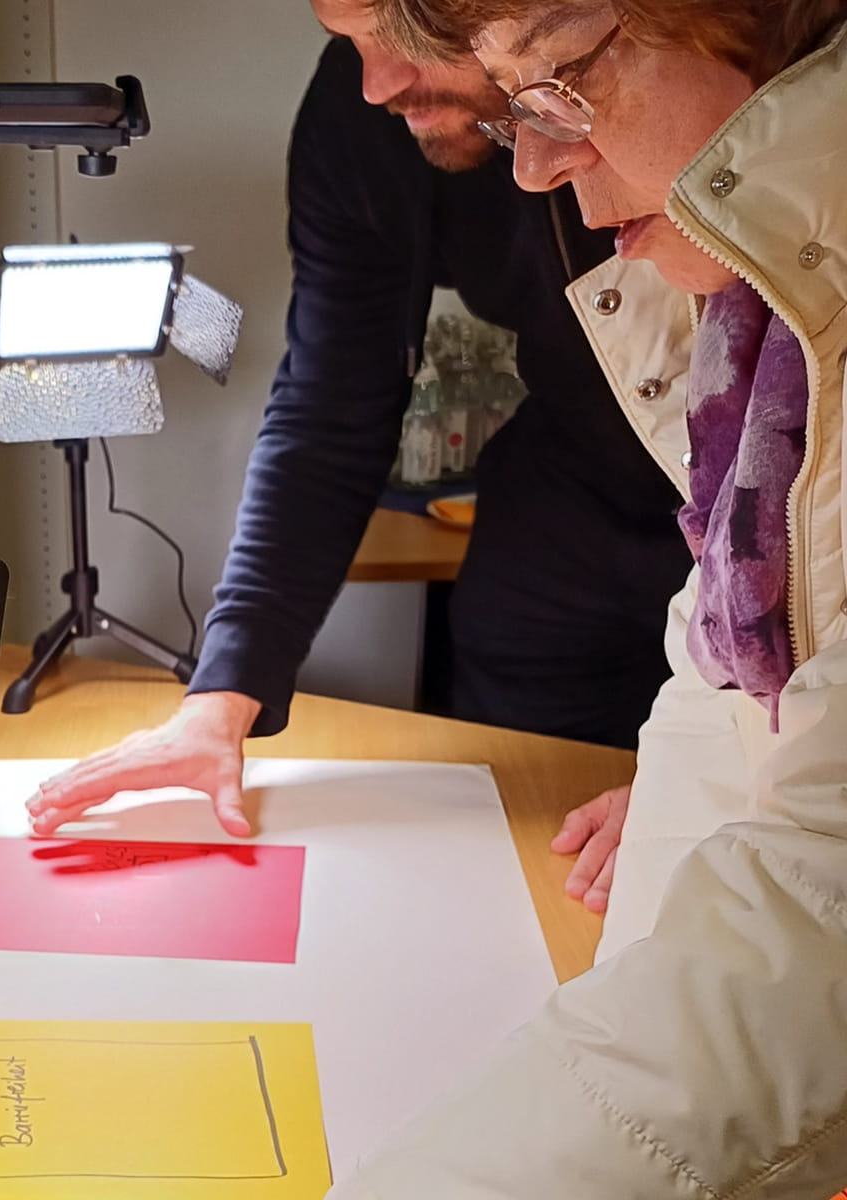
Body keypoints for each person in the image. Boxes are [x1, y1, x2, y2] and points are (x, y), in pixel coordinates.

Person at [312, 0, 847, 1192]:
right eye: (517, 106)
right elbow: (724, 698)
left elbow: (816, 924)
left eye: (559, 77)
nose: (535, 169)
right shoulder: (749, 357)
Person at [27, 0, 688, 914]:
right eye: (346, 39)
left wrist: (709, 766)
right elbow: (330, 406)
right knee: (517, 867)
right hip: (569, 497)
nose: (376, 83)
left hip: (787, 507)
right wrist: (224, 692)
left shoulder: (697, 79)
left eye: (401, 33)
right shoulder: (364, 113)